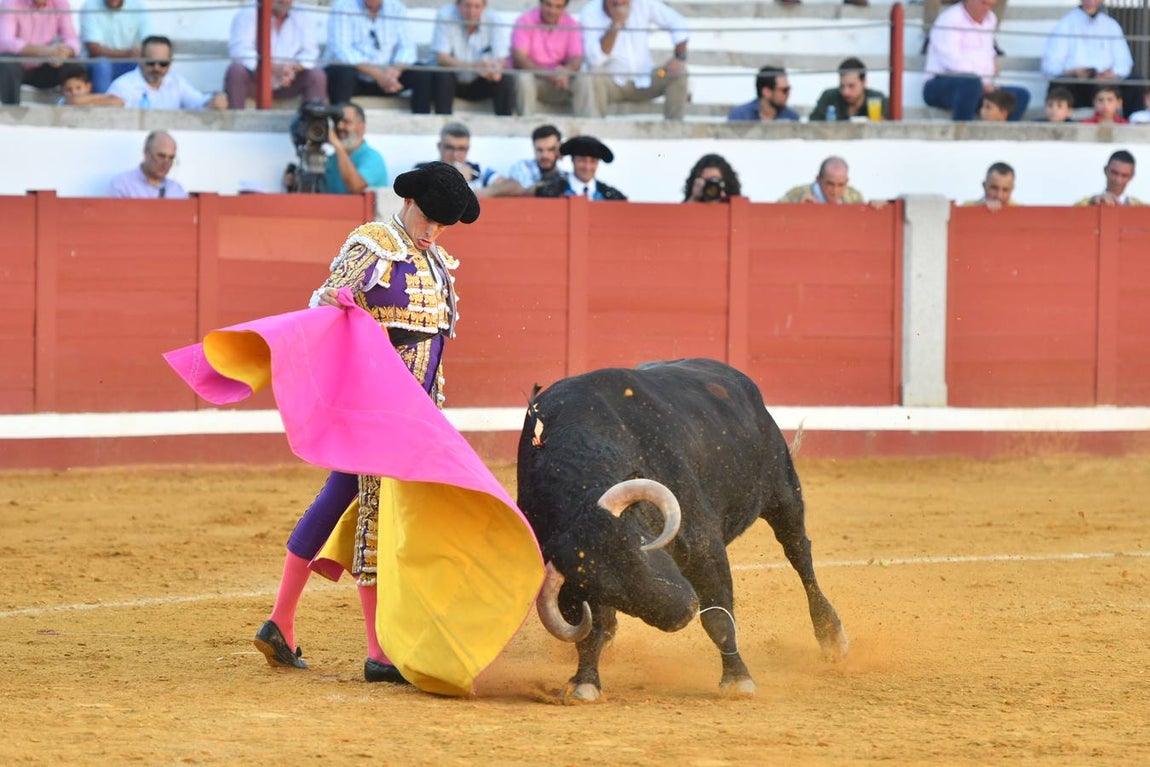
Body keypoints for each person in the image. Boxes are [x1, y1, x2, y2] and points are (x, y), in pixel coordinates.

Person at [253, 162, 480, 684]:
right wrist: (339, 300)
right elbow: (324, 298)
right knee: (376, 511)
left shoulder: (439, 261)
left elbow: (433, 350)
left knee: (343, 498)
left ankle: (280, 622)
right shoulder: (375, 243)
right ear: (409, 202)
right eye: (427, 220)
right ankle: (378, 652)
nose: (431, 233)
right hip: (377, 411)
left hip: (413, 415)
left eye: (441, 226)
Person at [578, 0, 689, 121]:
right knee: (593, 73)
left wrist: (679, 57)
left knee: (679, 72)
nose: (619, 2)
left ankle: (674, 129)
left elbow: (678, 22)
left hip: (647, 80)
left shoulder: (643, 3)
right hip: (611, 85)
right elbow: (596, 60)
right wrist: (616, 24)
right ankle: (596, 131)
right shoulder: (590, 12)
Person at [923, 0, 1030, 122]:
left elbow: (988, 50)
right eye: (984, 3)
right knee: (971, 84)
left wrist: (991, 68)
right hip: (940, 84)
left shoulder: (990, 19)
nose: (987, 9)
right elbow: (951, 61)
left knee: (1020, 95)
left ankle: (1003, 138)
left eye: (990, 5)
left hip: (981, 86)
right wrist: (982, 83)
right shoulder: (949, 19)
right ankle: (961, 134)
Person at [323, 0, 432, 113]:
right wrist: (377, 74)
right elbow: (342, 50)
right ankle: (341, 121)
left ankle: (422, 120)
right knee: (344, 71)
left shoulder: (396, 7)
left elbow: (408, 47)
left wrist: (395, 71)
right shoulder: (343, 5)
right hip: (356, 77)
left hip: (389, 79)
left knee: (422, 72)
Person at [225, 0, 326, 109]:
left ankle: (313, 123)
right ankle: (235, 123)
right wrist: (274, 68)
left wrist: (291, 69)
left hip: (289, 80)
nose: (284, 1)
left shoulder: (301, 13)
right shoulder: (247, 13)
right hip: (256, 80)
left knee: (317, 75)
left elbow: (310, 52)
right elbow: (240, 52)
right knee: (236, 71)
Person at [1040, 0, 1133, 111]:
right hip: (1077, 81)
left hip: (1106, 81)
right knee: (1060, 86)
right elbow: (1050, 66)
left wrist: (1112, 73)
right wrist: (1073, 72)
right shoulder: (1065, 24)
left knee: (1135, 83)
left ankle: (1135, 121)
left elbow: (1124, 61)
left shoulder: (1111, 25)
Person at [429, 0, 514, 116]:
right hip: (453, 81)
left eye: (477, 6)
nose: (471, 11)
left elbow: (501, 58)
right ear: (457, 4)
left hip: (480, 81)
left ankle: (505, 125)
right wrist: (473, 66)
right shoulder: (445, 15)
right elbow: (442, 58)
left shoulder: (493, 18)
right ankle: (444, 123)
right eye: (467, 6)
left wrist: (495, 70)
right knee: (443, 75)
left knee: (506, 79)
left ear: (484, 7)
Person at [510, 0, 590, 117]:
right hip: (536, 80)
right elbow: (519, 58)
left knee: (585, 79)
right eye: (548, 5)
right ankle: (525, 123)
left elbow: (576, 58)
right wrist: (548, 74)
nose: (552, 11)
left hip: (562, 81)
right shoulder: (525, 21)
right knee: (523, 77)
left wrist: (566, 71)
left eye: (558, 7)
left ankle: (587, 127)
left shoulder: (571, 24)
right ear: (540, 3)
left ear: (564, 7)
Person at [107, 35, 228, 109]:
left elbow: (197, 102)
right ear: (140, 60)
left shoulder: (176, 82)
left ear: (171, 62)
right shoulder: (123, 86)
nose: (157, 68)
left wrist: (213, 100)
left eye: (163, 64)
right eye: (151, 63)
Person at [0, 0, 81, 106]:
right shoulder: (10, 3)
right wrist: (46, 51)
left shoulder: (61, 4)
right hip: (18, 68)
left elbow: (72, 40)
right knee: (7, 61)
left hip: (46, 67)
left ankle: (75, 108)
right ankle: (11, 112)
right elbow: (5, 42)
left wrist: (64, 53)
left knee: (74, 65)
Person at [80, 0, 150, 95]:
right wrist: (128, 53)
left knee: (146, 64)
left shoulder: (138, 6)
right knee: (102, 64)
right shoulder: (90, 5)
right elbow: (94, 50)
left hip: (128, 62)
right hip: (99, 64)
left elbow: (149, 41)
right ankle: (103, 105)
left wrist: (138, 51)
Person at [484, 123, 567, 197]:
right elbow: (524, 190)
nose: (544, 155)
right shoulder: (522, 167)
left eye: (551, 149)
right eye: (539, 150)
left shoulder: (565, 175)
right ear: (533, 148)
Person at [324, 101, 388, 194]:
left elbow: (356, 186)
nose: (339, 126)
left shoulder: (373, 158)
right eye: (336, 122)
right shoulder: (331, 159)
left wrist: (338, 146)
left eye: (346, 122)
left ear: (362, 127)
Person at [415, 122, 498, 193]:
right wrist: (455, 178)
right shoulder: (422, 169)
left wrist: (477, 195)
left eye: (461, 149)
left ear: (468, 149)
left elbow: (508, 186)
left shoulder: (479, 170)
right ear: (439, 147)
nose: (455, 154)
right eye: (449, 148)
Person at [535, 135, 626, 200]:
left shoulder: (613, 197)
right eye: (582, 160)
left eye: (593, 161)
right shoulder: (549, 193)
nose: (587, 167)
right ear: (573, 160)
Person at [107, 130, 188, 199]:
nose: (166, 164)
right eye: (161, 156)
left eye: (171, 158)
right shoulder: (122, 186)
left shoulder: (177, 191)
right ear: (146, 152)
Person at [810, 58, 888, 121]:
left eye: (851, 86)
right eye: (842, 86)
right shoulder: (829, 97)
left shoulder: (877, 100)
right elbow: (813, 125)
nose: (845, 92)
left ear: (864, 83)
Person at [779, 156, 865, 204]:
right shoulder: (796, 195)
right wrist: (799, 210)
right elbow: (775, 217)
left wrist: (875, 208)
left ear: (846, 182)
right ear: (819, 180)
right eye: (830, 184)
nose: (835, 190)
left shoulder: (855, 197)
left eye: (841, 185)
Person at [728, 66, 799, 122]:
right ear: (766, 92)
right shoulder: (740, 116)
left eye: (788, 89)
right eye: (784, 90)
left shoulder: (791, 117)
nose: (788, 94)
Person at [1076, 149, 1143, 205]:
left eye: (1124, 176)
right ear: (1105, 170)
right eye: (1114, 173)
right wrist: (1091, 204)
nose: (1118, 180)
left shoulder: (1142, 209)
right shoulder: (1086, 205)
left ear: (1132, 176)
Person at [58, 63, 124, 105]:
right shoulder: (62, 102)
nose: (74, 93)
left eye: (78, 88)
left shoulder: (92, 100)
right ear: (62, 90)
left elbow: (119, 102)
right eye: (68, 90)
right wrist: (105, 97)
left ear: (88, 87)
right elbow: (75, 101)